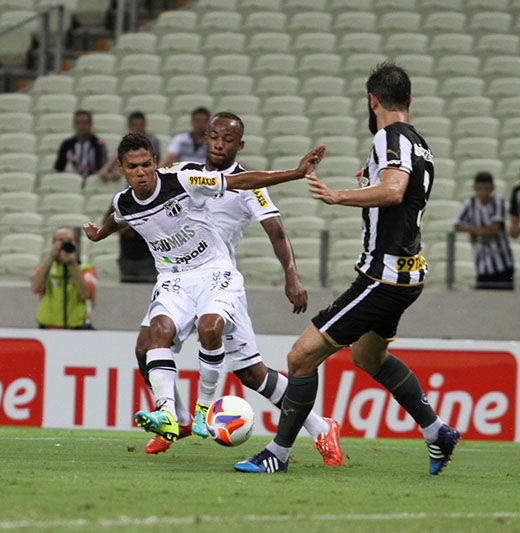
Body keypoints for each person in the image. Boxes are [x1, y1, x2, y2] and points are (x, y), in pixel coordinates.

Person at [234, 62, 459, 476]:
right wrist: (370, 178)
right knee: (369, 357)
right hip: (408, 272)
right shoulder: (419, 143)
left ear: (372, 100)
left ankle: (277, 455)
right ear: (408, 100)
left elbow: (394, 191)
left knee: (301, 357)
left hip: (382, 276)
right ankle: (437, 431)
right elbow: (400, 190)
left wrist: (339, 196)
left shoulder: (388, 137)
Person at [83, 131, 326, 445]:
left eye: (146, 164)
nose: (141, 172)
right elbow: (119, 218)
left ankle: (204, 407)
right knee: (155, 336)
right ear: (121, 168)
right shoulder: (124, 202)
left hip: (214, 273)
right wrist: (98, 234)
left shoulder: (184, 179)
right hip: (174, 280)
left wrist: (295, 173)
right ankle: (170, 416)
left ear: (155, 162)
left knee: (230, 349)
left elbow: (238, 182)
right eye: (133, 167)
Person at [129, 112, 341, 465]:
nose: (218, 144)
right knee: (144, 347)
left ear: (239, 145)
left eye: (227, 139)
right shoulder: (184, 173)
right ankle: (178, 420)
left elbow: (276, 231)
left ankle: (320, 427)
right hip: (180, 280)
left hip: (218, 282)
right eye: (213, 136)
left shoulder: (249, 184)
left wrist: (292, 275)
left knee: (251, 374)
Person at [455, 172, 514, 290]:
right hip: (482, 263)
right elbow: (457, 225)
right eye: (480, 189)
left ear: (492, 188)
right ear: (475, 189)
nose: (483, 193)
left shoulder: (498, 200)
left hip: (502, 262)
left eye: (486, 189)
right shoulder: (470, 203)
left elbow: (497, 225)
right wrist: (474, 230)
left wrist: (478, 232)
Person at [32, 226, 97, 329]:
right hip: (48, 327)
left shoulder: (86, 269)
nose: (64, 243)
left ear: (76, 244)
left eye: (69, 240)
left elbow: (86, 294)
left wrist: (73, 264)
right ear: (53, 244)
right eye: (60, 240)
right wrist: (52, 257)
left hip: (77, 327)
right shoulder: (45, 268)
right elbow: (36, 288)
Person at [98, 111, 161, 182]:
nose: (138, 128)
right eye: (135, 125)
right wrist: (105, 169)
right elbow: (118, 155)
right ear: (129, 126)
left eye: (141, 125)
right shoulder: (127, 140)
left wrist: (121, 172)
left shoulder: (152, 140)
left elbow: (144, 161)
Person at [53, 110, 108, 180]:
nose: (81, 126)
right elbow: (58, 168)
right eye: (78, 123)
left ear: (90, 125)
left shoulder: (98, 144)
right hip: (74, 181)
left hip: (94, 180)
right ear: (74, 125)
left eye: (85, 123)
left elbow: (101, 168)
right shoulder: (67, 144)